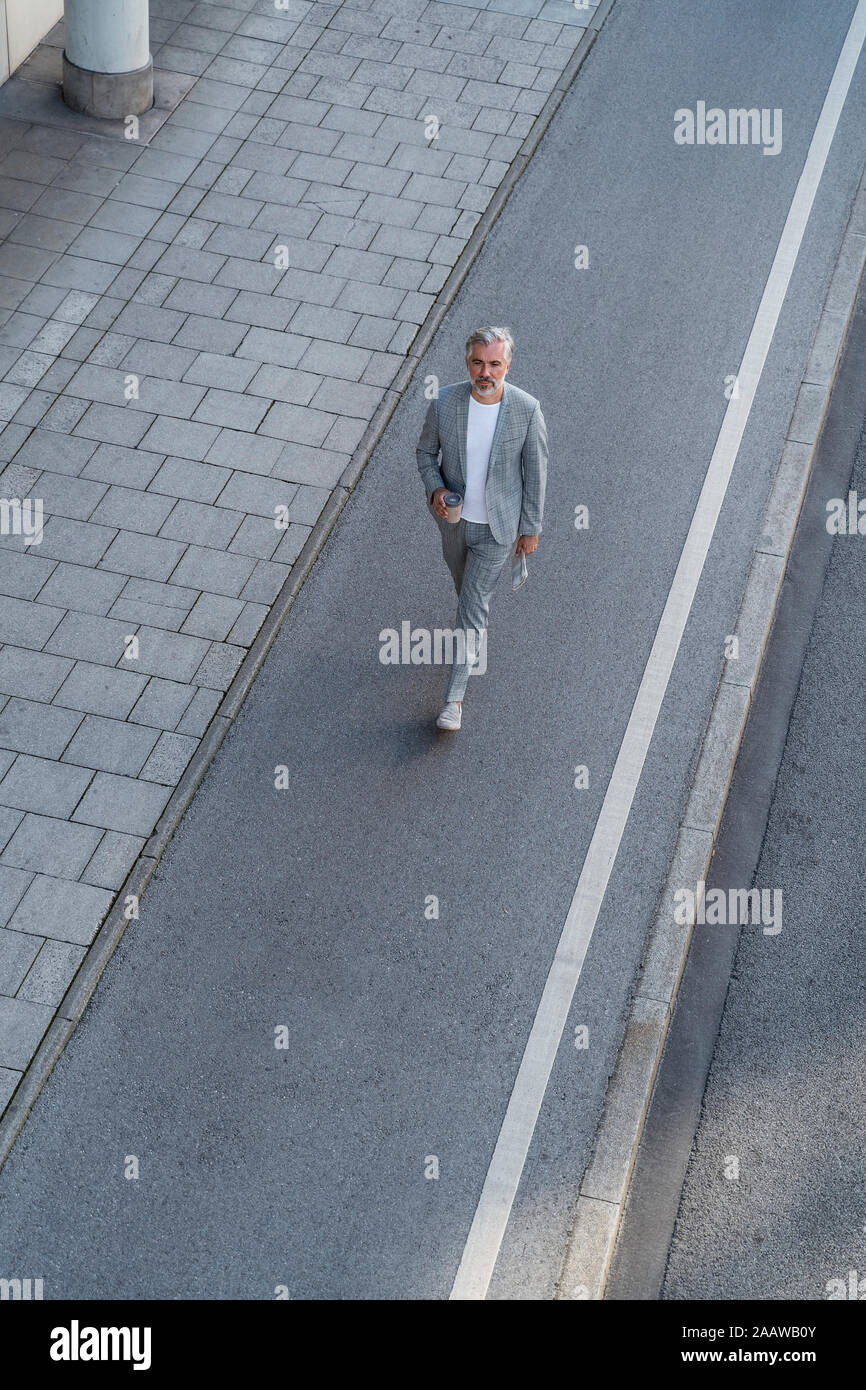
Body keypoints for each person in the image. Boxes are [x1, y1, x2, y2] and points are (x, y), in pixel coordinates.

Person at [416, 326, 548, 731]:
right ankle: (470, 637)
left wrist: (531, 528)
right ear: (467, 363)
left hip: (498, 530)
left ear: (507, 365)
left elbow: (536, 473)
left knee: (471, 609)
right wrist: (436, 488)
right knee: (464, 594)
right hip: (454, 525)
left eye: (494, 364)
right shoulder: (444, 402)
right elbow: (424, 452)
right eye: (478, 363)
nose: (485, 372)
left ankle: (453, 701)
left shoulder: (527, 409)